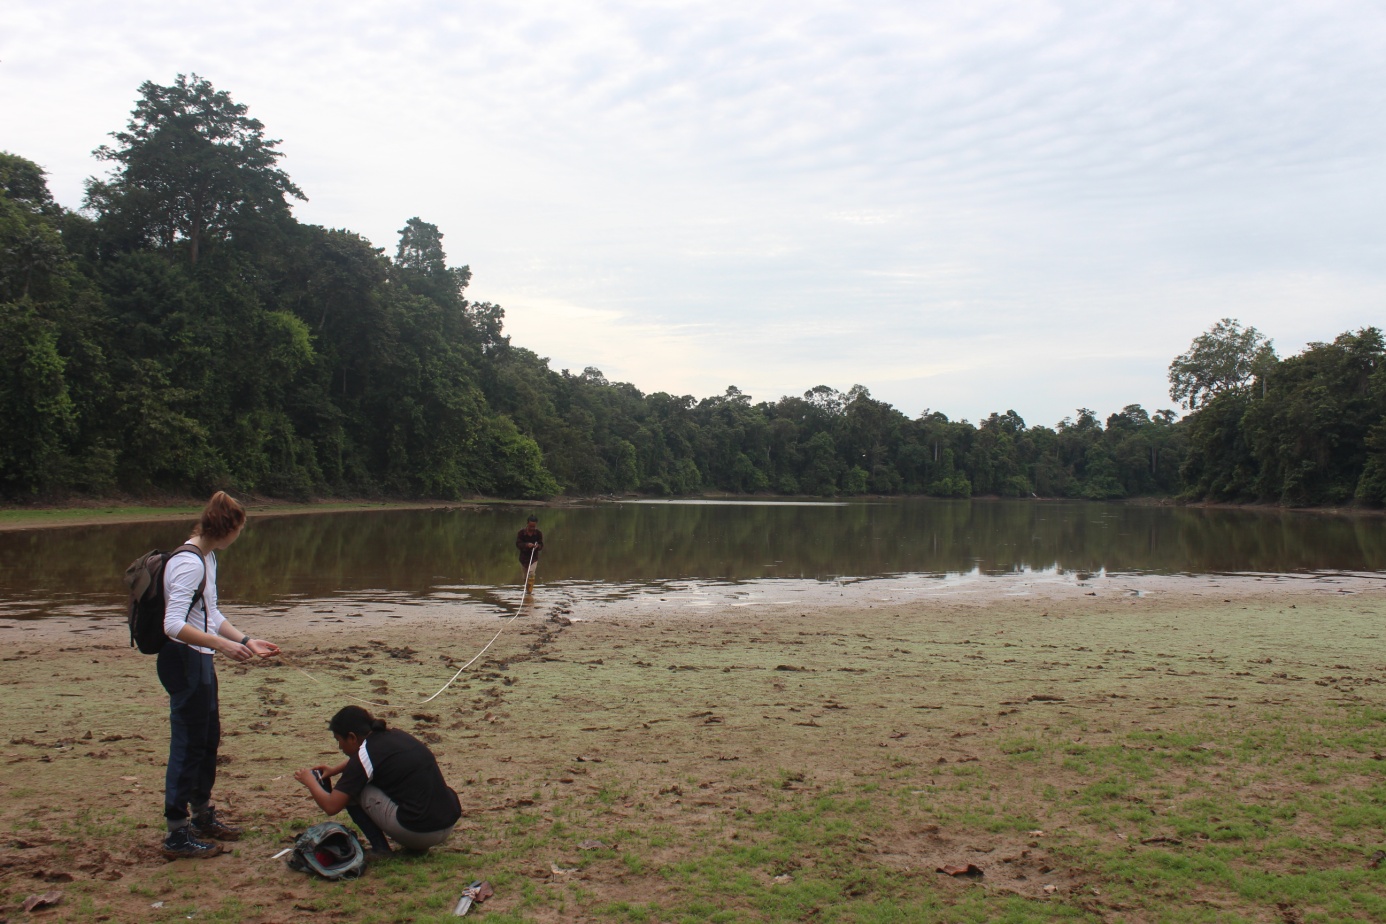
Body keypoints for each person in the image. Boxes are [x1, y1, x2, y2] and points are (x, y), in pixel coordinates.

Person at [159, 491, 280, 859]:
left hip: (201, 657)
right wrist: (223, 646)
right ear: (228, 528)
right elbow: (172, 625)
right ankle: (177, 833)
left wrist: (244, 640)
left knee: (208, 739)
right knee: (188, 743)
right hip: (183, 659)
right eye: (239, 528)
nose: (239, 536)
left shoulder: (208, 558)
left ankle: (202, 815)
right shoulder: (189, 562)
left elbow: (210, 612)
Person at [294, 706, 461, 856]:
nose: (340, 748)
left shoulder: (364, 756)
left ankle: (380, 849)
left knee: (354, 790)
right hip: (447, 823)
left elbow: (331, 806)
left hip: (419, 833)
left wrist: (310, 782)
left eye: (339, 741)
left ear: (352, 737)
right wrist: (335, 769)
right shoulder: (395, 735)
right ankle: (415, 841)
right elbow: (369, 760)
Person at [516, 514, 544, 588]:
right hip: (523, 558)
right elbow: (518, 544)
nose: (532, 528)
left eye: (534, 526)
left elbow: (541, 544)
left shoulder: (538, 533)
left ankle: (530, 592)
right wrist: (526, 545)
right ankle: (527, 592)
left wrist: (538, 546)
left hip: (534, 557)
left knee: (531, 574)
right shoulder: (521, 533)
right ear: (527, 523)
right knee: (525, 578)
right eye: (531, 526)